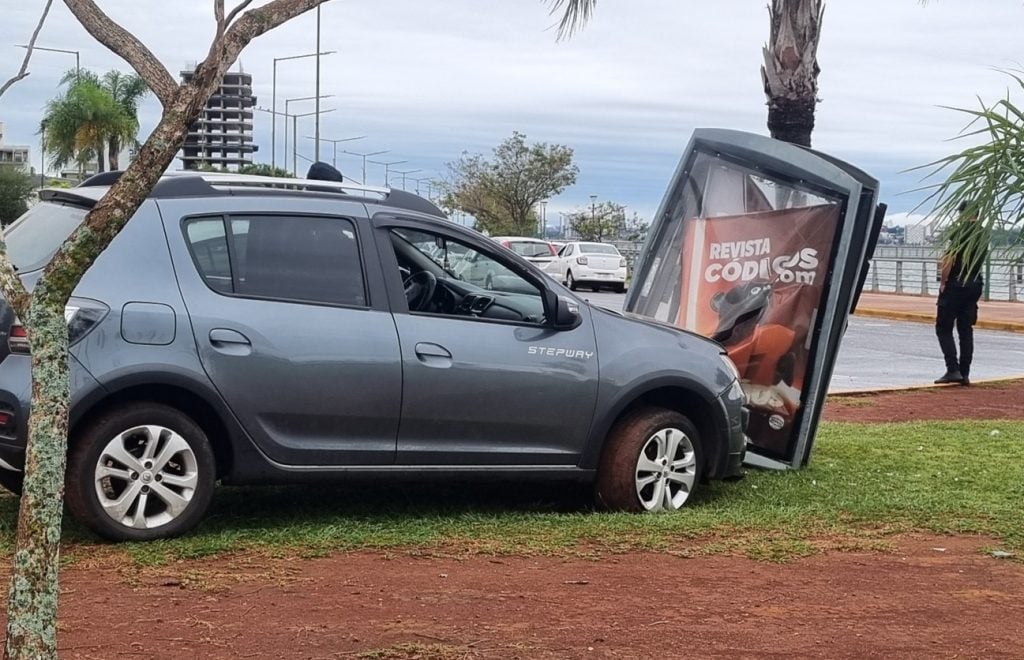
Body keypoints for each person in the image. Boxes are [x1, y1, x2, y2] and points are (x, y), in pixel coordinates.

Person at [934, 201, 989, 386]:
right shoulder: (983, 234)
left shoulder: (959, 232)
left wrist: (943, 281)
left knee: (943, 326)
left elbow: (948, 260)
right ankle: (964, 373)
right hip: (975, 283)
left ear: (964, 213)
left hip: (956, 283)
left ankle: (952, 369)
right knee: (966, 329)